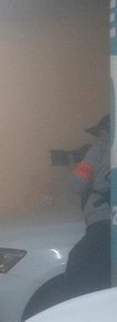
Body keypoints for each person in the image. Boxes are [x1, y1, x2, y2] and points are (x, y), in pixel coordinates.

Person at [65, 114, 111, 299]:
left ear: (105, 130)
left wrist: (77, 166)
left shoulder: (98, 149)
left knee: (81, 262)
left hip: (101, 218)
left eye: (100, 132)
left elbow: (78, 184)